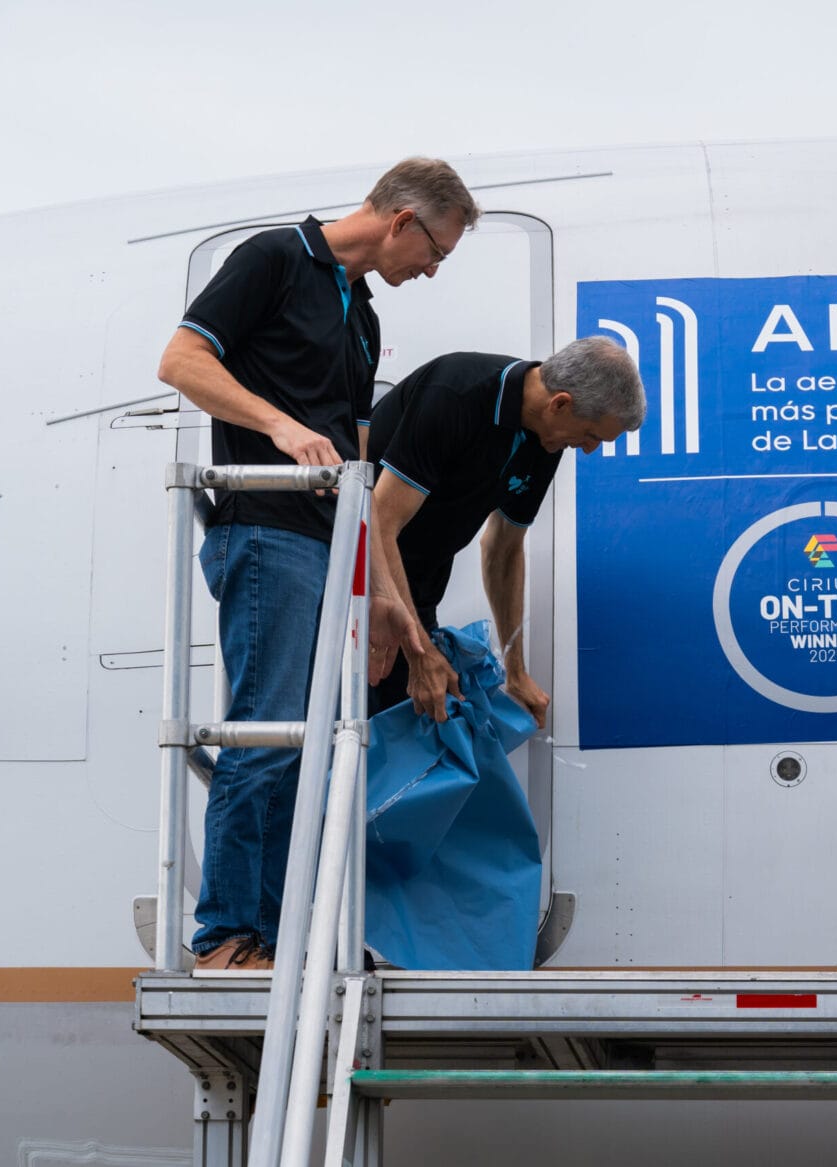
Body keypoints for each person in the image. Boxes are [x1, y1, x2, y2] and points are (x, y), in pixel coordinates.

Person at [157, 158, 480, 972]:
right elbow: (183, 360)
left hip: (330, 544)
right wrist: (278, 426)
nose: (433, 269)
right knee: (266, 731)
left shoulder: (363, 317)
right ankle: (227, 936)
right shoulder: (273, 258)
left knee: (305, 745)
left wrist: (384, 595)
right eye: (435, 250)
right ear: (402, 220)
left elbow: (360, 458)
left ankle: (279, 936)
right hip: (265, 529)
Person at [365, 339, 646, 724]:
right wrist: (420, 653)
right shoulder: (455, 393)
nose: (589, 450)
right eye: (591, 435)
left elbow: (504, 549)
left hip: (416, 596)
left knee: (405, 754)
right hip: (352, 584)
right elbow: (378, 523)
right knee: (333, 749)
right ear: (560, 403)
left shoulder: (547, 441)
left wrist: (515, 671)